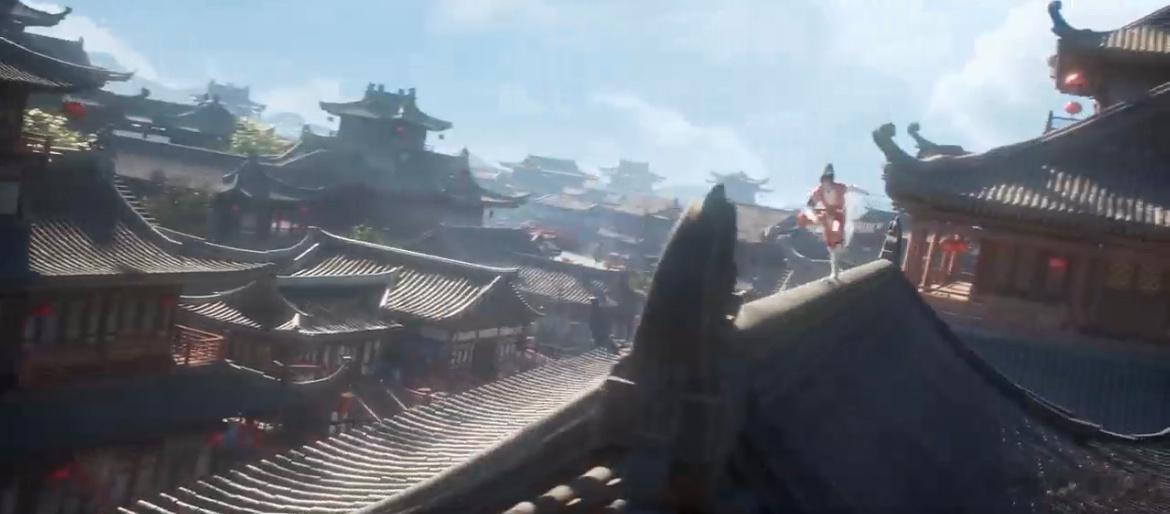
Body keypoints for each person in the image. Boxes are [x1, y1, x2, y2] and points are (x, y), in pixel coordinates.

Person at [801, 164, 868, 279]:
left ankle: (840, 250)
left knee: (835, 234)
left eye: (828, 181)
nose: (826, 184)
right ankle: (835, 268)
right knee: (831, 245)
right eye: (825, 181)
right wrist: (812, 216)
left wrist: (863, 191)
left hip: (837, 216)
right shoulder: (818, 191)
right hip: (828, 216)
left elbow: (851, 188)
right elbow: (809, 205)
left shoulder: (839, 187)